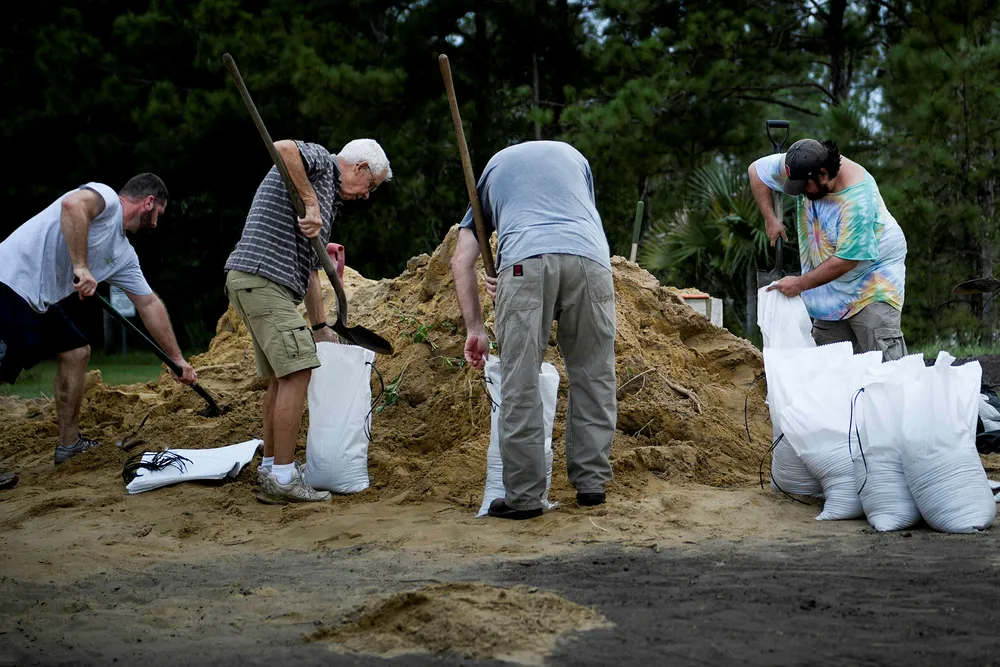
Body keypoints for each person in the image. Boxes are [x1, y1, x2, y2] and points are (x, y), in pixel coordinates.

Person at [450, 140, 617, 520]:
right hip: (591, 262)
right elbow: (578, 221)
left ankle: (524, 497)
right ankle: (592, 485)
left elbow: (461, 260)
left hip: (524, 262)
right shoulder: (576, 158)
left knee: (521, 380)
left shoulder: (492, 172)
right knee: (594, 374)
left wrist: (476, 327)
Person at [224, 138, 391, 505]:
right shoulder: (322, 163)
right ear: (360, 168)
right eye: (371, 185)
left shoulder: (330, 203)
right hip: (262, 278)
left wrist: (320, 328)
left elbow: (313, 271)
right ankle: (283, 479)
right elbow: (283, 148)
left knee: (281, 377)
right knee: (299, 371)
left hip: (263, 284)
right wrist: (311, 203)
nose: (367, 195)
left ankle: (272, 467)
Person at [0, 174, 198, 464]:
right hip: (9, 281)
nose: (156, 224)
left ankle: (69, 444)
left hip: (39, 301)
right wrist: (81, 267)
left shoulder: (123, 255)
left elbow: (149, 304)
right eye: (158, 213)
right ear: (148, 202)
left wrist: (176, 359)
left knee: (76, 351)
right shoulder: (106, 199)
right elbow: (72, 205)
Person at [749, 138, 908, 359]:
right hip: (829, 285)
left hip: (872, 278)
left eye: (804, 187)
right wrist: (770, 218)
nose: (801, 192)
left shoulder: (857, 198)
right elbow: (756, 171)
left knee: (883, 360)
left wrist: (799, 284)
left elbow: (847, 260)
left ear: (823, 174)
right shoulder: (803, 161)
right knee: (828, 364)